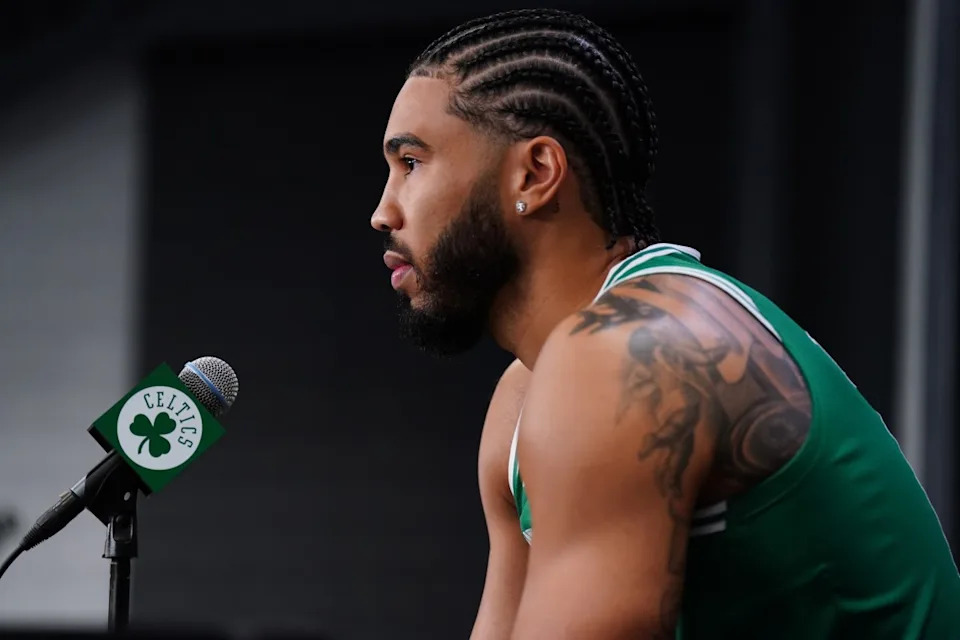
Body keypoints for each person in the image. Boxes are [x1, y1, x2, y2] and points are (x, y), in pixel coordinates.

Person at [370, 8, 960, 639]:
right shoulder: (527, 392)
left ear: (535, 174)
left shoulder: (630, 349)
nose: (383, 212)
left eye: (411, 162)